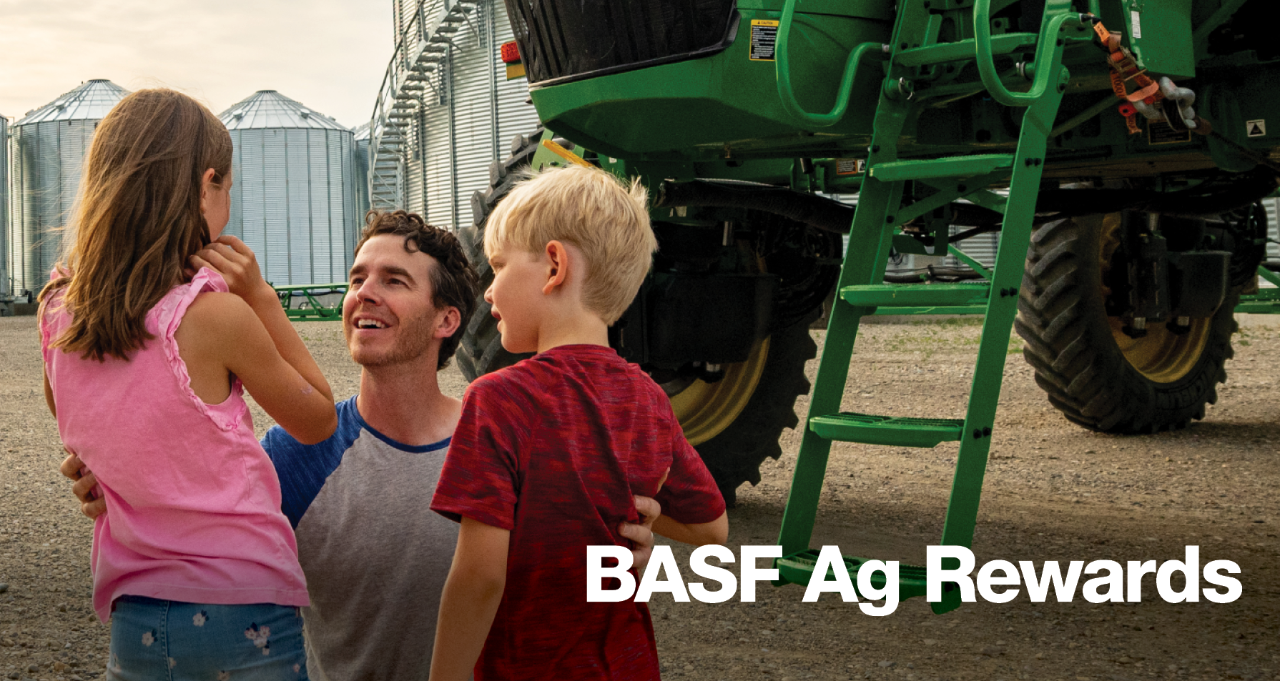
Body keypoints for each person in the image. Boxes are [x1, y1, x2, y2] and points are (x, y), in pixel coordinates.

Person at [63, 209, 664, 681]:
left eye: (393, 281)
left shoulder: (514, 448)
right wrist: (115, 484)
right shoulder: (297, 457)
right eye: (357, 280)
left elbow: (578, 582)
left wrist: (624, 553)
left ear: (447, 320)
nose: (363, 294)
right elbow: (195, 524)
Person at [40, 89, 335, 680]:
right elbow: (317, 418)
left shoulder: (56, 312)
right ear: (205, 187)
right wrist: (264, 301)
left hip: (135, 609)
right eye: (228, 187)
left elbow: (86, 436)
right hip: (244, 600)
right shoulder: (214, 316)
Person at [428, 165, 730, 681]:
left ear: (553, 266)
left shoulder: (499, 401)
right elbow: (711, 530)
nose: (489, 292)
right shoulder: (650, 400)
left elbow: (479, 577)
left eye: (498, 267)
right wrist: (645, 517)